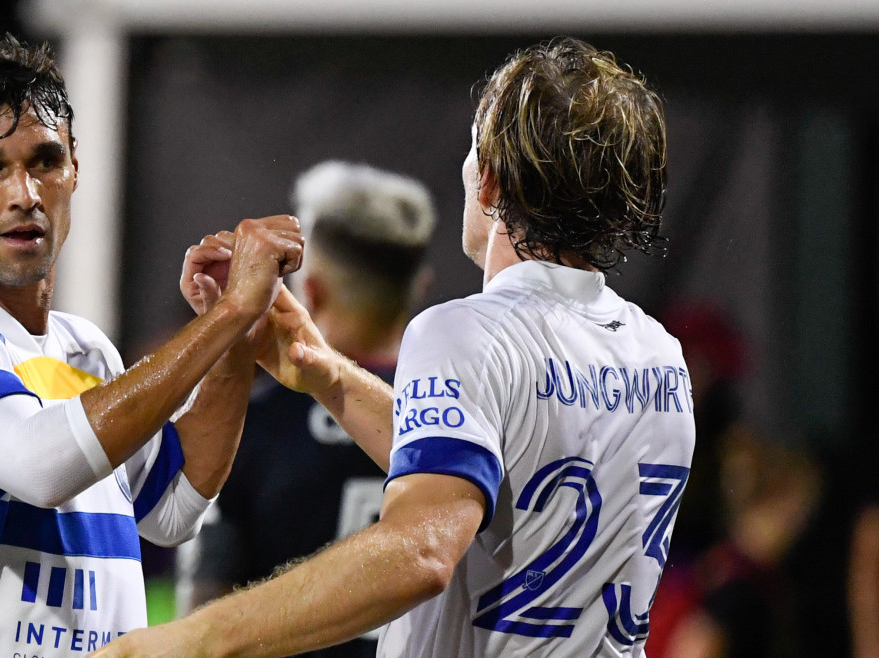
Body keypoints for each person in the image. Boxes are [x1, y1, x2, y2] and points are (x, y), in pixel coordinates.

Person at [95, 35, 693, 657]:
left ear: (487, 182)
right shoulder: (661, 357)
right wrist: (329, 375)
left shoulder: (465, 333)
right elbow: (499, 477)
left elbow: (425, 548)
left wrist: (191, 641)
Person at [0, 35, 303, 657]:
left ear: (76, 168)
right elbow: (40, 466)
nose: (24, 194)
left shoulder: (84, 349)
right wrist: (227, 317)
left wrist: (234, 341)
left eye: (45, 161)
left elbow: (172, 507)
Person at [175, 160, 438, 657]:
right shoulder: (451, 424)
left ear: (310, 292)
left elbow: (204, 600)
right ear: (419, 288)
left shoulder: (251, 422)